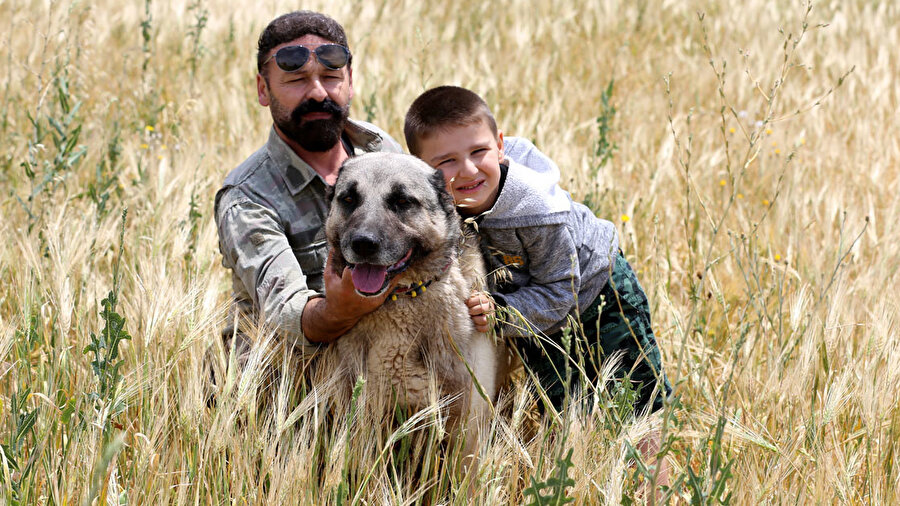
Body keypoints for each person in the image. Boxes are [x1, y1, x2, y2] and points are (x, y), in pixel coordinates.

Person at [403, 86, 672, 417]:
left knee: (635, 402)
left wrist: (500, 312)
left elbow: (563, 290)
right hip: (532, 309)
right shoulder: (436, 203)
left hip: (596, 293)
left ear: (500, 146)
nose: (469, 171)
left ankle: (650, 469)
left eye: (478, 152)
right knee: (564, 412)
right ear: (420, 168)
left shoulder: (536, 211)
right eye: (447, 161)